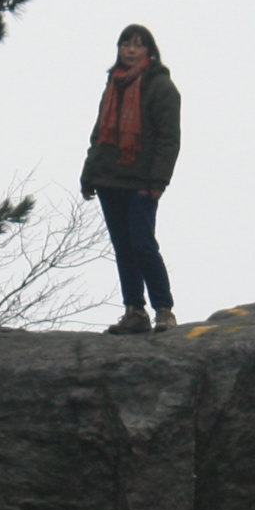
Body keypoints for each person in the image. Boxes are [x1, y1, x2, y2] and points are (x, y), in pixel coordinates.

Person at [81, 24, 181, 334]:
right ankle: (134, 311)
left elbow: (169, 139)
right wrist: (89, 174)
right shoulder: (113, 85)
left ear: (149, 50)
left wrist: (158, 181)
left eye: (138, 44)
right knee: (123, 247)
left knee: (142, 244)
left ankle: (164, 310)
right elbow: (99, 135)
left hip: (142, 182)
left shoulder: (161, 87)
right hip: (110, 180)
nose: (131, 49)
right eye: (126, 43)